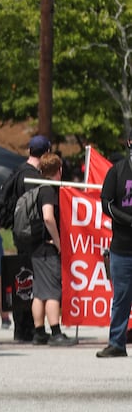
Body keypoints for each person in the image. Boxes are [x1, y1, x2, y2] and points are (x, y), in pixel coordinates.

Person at [0, 133, 51, 342]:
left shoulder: (18, 171)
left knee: (22, 282)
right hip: (32, 237)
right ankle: (27, 328)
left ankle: (21, 328)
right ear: (46, 153)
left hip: (18, 234)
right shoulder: (33, 178)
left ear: (30, 151)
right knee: (29, 282)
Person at [30, 152, 77, 346]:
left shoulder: (39, 187)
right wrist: (58, 243)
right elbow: (48, 217)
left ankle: (39, 332)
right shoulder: (49, 190)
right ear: (59, 170)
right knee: (52, 291)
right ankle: (56, 332)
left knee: (40, 292)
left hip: (36, 247)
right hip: (48, 247)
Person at [98, 135, 132, 357]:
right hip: (122, 248)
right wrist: (128, 220)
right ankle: (117, 343)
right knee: (120, 298)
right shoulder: (117, 171)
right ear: (129, 142)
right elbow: (105, 203)